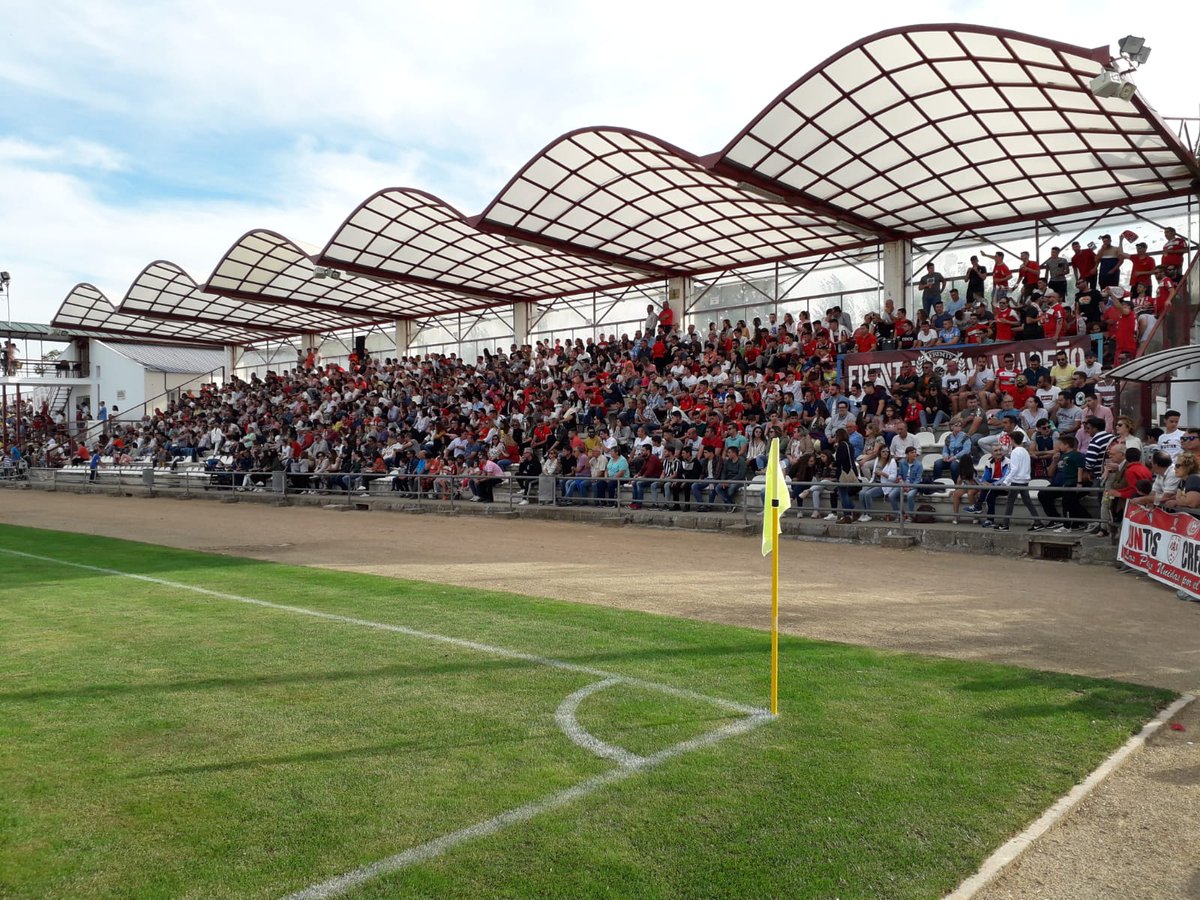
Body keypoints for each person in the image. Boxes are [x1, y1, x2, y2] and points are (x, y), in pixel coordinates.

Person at [1035, 434, 1086, 532]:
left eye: (1061, 444)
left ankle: (1073, 523)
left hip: (1071, 484)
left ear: (1067, 445)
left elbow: (1080, 469)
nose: (1058, 446)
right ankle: (1056, 520)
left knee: (1069, 502)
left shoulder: (1077, 455)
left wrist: (1079, 482)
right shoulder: (1061, 456)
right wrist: (1054, 461)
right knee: (1043, 494)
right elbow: (1050, 473)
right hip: (1059, 484)